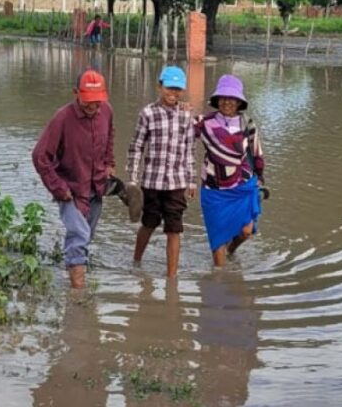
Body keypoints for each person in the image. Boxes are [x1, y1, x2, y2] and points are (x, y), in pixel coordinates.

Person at [32, 68, 115, 288]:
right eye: (88, 101)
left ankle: (72, 269)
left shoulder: (107, 112)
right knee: (79, 235)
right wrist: (58, 188)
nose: (93, 106)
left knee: (86, 237)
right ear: (75, 93)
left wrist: (109, 164)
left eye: (97, 101)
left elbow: (109, 139)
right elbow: (40, 156)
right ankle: (78, 296)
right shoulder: (63, 118)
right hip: (71, 189)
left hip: (97, 187)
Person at [127, 66, 197, 277]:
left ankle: (172, 277)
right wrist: (132, 179)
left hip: (177, 182)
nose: (173, 94)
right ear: (159, 86)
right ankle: (136, 261)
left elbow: (190, 150)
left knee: (175, 228)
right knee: (149, 223)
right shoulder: (147, 113)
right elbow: (136, 146)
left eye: (178, 90)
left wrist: (192, 180)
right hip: (152, 182)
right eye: (169, 88)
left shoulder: (186, 116)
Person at [195, 74, 266, 267]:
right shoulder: (204, 123)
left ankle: (231, 250)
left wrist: (260, 176)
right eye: (223, 98)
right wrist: (180, 110)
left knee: (246, 231)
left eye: (232, 98)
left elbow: (256, 152)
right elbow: (179, 131)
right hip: (213, 188)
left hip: (242, 185)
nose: (227, 102)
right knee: (218, 237)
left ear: (238, 101)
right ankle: (220, 281)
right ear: (217, 100)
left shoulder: (248, 124)